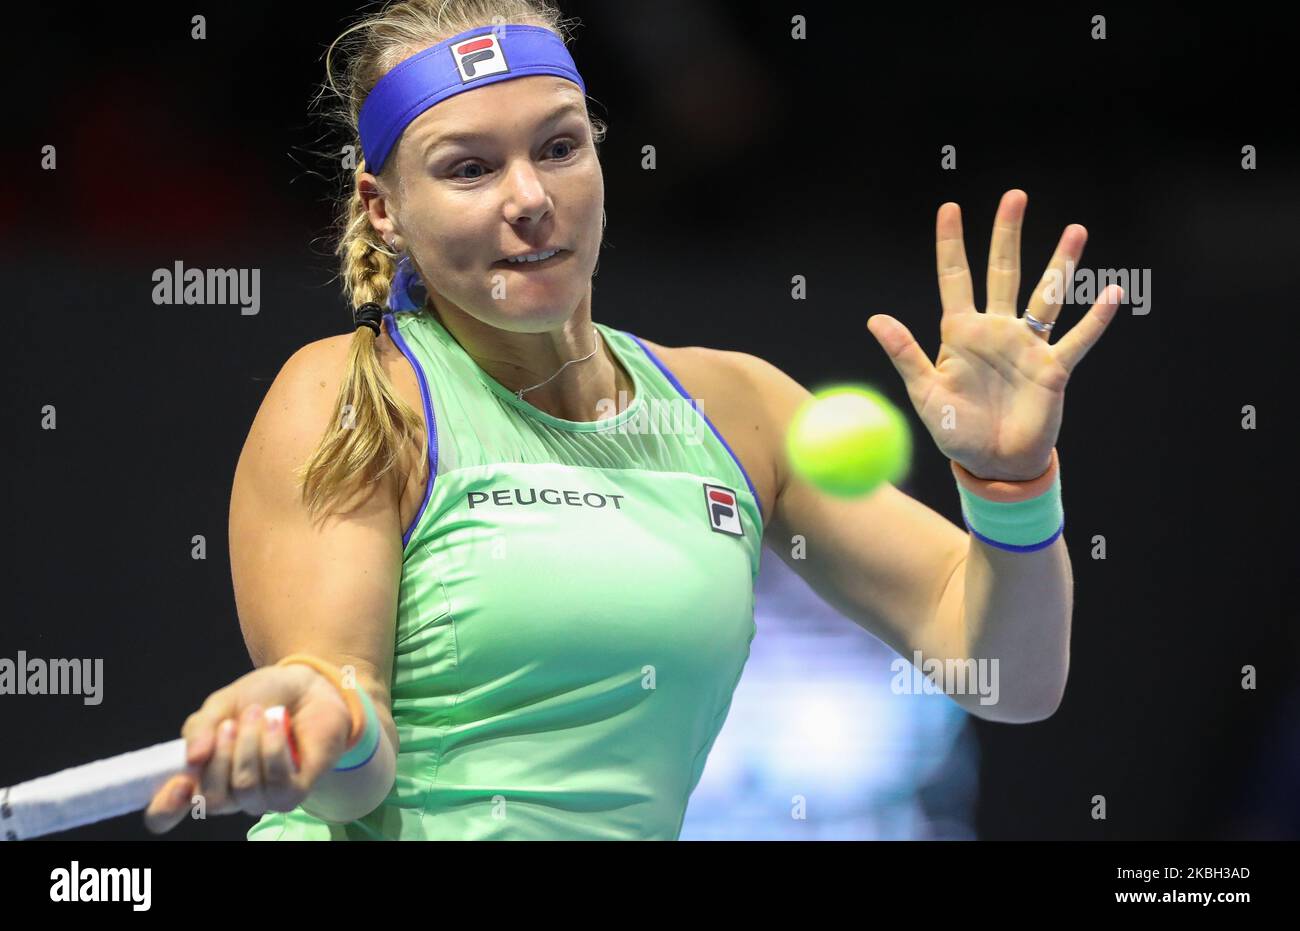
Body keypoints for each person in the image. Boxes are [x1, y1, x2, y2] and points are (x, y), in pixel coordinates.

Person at [143, 0, 1119, 840]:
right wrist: (312, 717)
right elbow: (354, 746)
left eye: (559, 146)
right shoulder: (350, 394)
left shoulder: (738, 407)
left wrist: (1011, 483)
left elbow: (1007, 677)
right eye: (470, 168)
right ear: (383, 207)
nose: (530, 199)